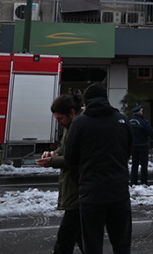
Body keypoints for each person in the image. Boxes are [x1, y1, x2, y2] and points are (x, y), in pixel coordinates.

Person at [64, 83, 133, 254]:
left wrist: (82, 181)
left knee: (92, 246)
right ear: (106, 99)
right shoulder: (122, 121)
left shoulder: (79, 123)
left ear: (86, 102)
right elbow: (128, 151)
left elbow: (70, 159)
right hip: (119, 193)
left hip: (91, 195)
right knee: (122, 245)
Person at [36, 91, 84, 254]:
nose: (59, 122)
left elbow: (75, 158)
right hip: (74, 189)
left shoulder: (80, 126)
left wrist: (52, 161)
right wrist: (53, 153)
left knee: (65, 239)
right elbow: (65, 150)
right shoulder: (71, 125)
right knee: (81, 237)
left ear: (71, 113)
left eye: (60, 118)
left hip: (78, 190)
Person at [129, 104, 153, 185]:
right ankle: (144, 183)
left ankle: (133, 183)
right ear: (140, 112)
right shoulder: (143, 122)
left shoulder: (130, 122)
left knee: (134, 165)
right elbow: (151, 132)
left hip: (133, 146)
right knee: (143, 166)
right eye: (142, 111)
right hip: (143, 146)